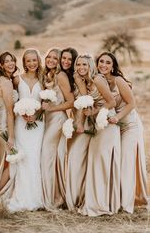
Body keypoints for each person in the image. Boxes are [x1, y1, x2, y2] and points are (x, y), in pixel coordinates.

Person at [96, 52, 148, 213]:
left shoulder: (118, 80)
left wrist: (117, 117)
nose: (104, 65)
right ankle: (116, 200)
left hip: (130, 125)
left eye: (108, 62)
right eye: (101, 61)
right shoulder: (99, 81)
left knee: (126, 163)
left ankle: (127, 205)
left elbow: (132, 103)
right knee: (118, 163)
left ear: (113, 66)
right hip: (115, 127)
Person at [70, 54, 120, 216]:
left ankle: (102, 203)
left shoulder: (98, 79)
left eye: (84, 64)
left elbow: (111, 102)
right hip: (96, 124)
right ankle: (94, 200)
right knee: (94, 161)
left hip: (107, 122)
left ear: (90, 65)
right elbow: (85, 100)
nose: (81, 67)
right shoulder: (85, 81)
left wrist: (95, 111)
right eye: (78, 64)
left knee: (101, 160)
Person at [7, 49, 44, 212]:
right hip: (21, 124)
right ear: (24, 63)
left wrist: (37, 114)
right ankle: (22, 196)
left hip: (39, 124)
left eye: (34, 60)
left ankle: (37, 197)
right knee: (23, 158)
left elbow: (45, 103)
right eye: (28, 61)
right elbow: (12, 101)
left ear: (38, 61)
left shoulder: (43, 80)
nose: (32, 63)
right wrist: (21, 113)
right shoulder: (16, 80)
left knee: (35, 157)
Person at [41, 48, 74, 210]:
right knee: (50, 158)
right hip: (47, 120)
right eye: (49, 57)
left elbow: (71, 102)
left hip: (57, 119)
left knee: (47, 156)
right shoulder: (46, 75)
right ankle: (53, 194)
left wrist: (51, 109)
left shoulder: (61, 76)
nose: (52, 60)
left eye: (56, 58)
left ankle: (51, 198)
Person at [0, 51, 18, 199]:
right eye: (6, 61)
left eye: (12, 60)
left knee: (3, 162)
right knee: (11, 160)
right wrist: (12, 137)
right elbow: (9, 112)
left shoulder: (2, 79)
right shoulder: (6, 82)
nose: (10, 63)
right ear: (1, 65)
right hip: (3, 126)